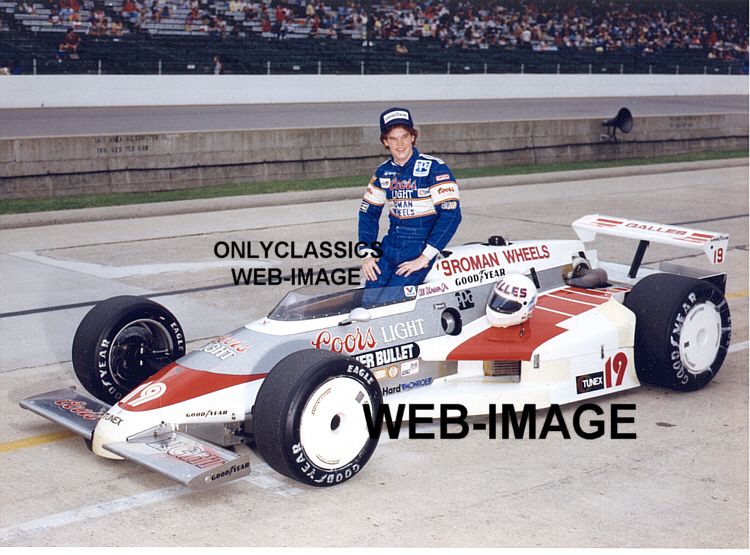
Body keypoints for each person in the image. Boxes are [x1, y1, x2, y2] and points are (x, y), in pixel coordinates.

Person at [358, 107, 461, 303]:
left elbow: (451, 216)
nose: (400, 144)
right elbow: (368, 214)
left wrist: (425, 258)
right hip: (389, 248)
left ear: (413, 137)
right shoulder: (383, 172)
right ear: (385, 142)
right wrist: (368, 254)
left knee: (389, 305)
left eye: (404, 136)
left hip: (418, 249)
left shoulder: (435, 168)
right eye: (393, 138)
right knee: (367, 301)